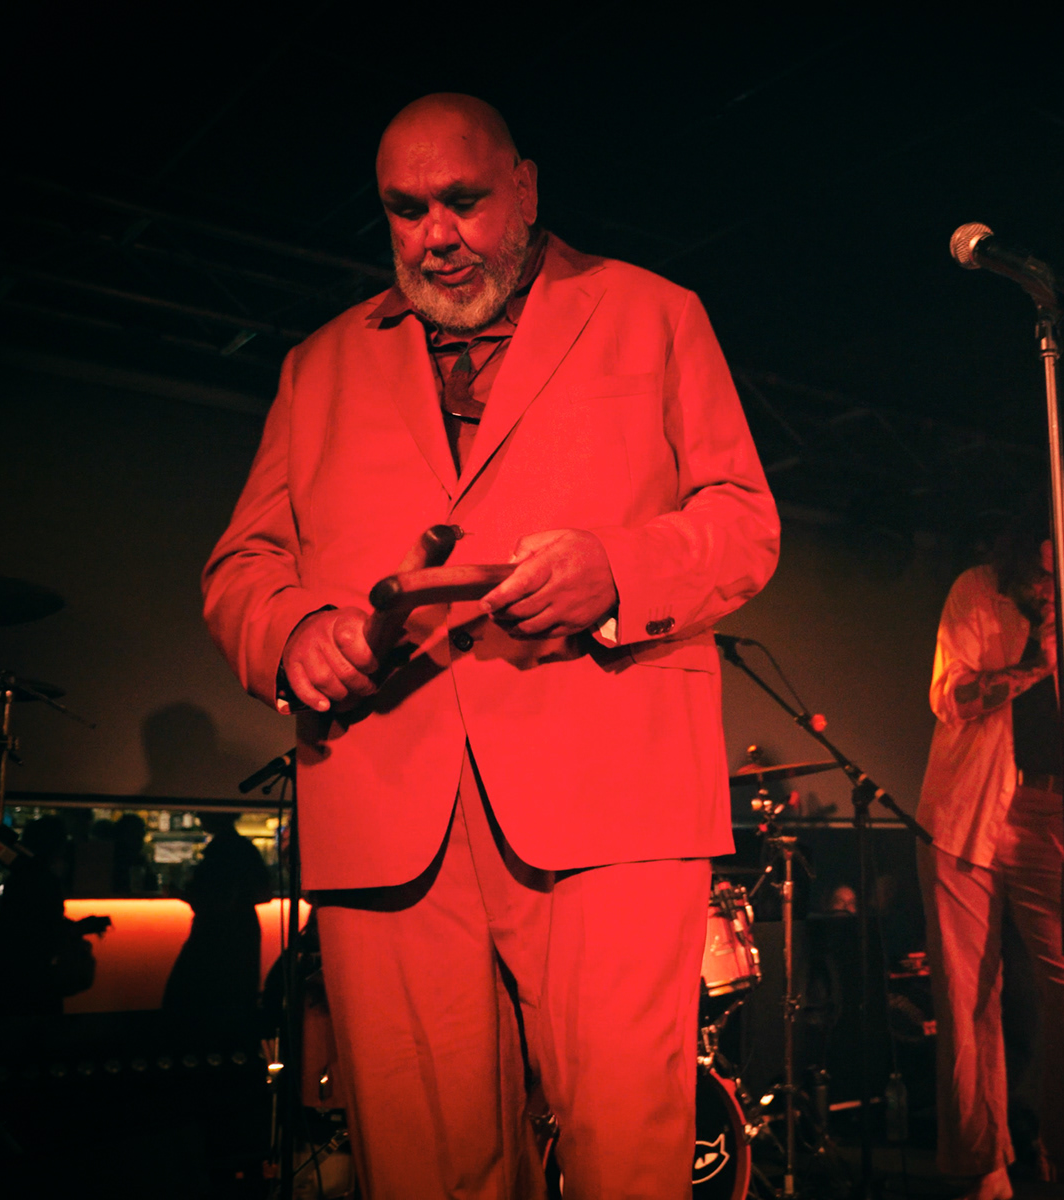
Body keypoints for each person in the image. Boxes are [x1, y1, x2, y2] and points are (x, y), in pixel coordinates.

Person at [202, 94, 778, 1199]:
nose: (436, 234)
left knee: (628, 1152)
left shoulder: (655, 313)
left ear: (525, 187)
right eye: (405, 209)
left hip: (614, 800)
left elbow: (745, 521)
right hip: (387, 803)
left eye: (462, 201)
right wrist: (296, 633)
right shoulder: (317, 366)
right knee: (425, 1166)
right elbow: (241, 567)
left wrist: (616, 569)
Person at [917, 506, 1064, 1198]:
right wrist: (1038, 665)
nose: (1051, 591)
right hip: (967, 811)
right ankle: (981, 1165)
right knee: (967, 995)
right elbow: (951, 698)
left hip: (1058, 813)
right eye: (1041, 578)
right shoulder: (977, 592)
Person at [161, 811, 271, 1049]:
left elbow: (214, 900)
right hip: (239, 931)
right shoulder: (242, 848)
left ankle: (204, 1052)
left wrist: (182, 893)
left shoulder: (221, 851)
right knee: (232, 998)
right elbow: (263, 892)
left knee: (194, 997)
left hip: (217, 933)